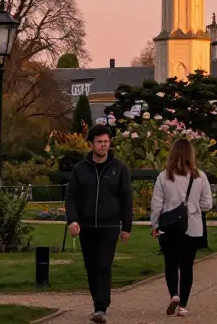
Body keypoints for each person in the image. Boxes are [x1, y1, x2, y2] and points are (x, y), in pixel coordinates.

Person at [65, 125, 133, 324]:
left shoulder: (119, 169)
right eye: (100, 142)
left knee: (104, 265)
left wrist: (127, 226)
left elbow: (126, 199)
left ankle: (100, 307)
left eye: (106, 141)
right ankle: (98, 302)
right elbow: (71, 197)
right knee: (91, 267)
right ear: (91, 144)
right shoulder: (80, 169)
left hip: (109, 225)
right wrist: (72, 220)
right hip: (86, 226)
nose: (104, 145)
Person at [149, 137, 212, 318]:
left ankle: (174, 295)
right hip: (192, 227)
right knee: (187, 266)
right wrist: (193, 207)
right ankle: (183, 306)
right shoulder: (199, 176)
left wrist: (155, 224)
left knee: (170, 263)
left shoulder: (164, 176)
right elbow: (207, 204)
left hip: (169, 227)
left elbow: (157, 204)